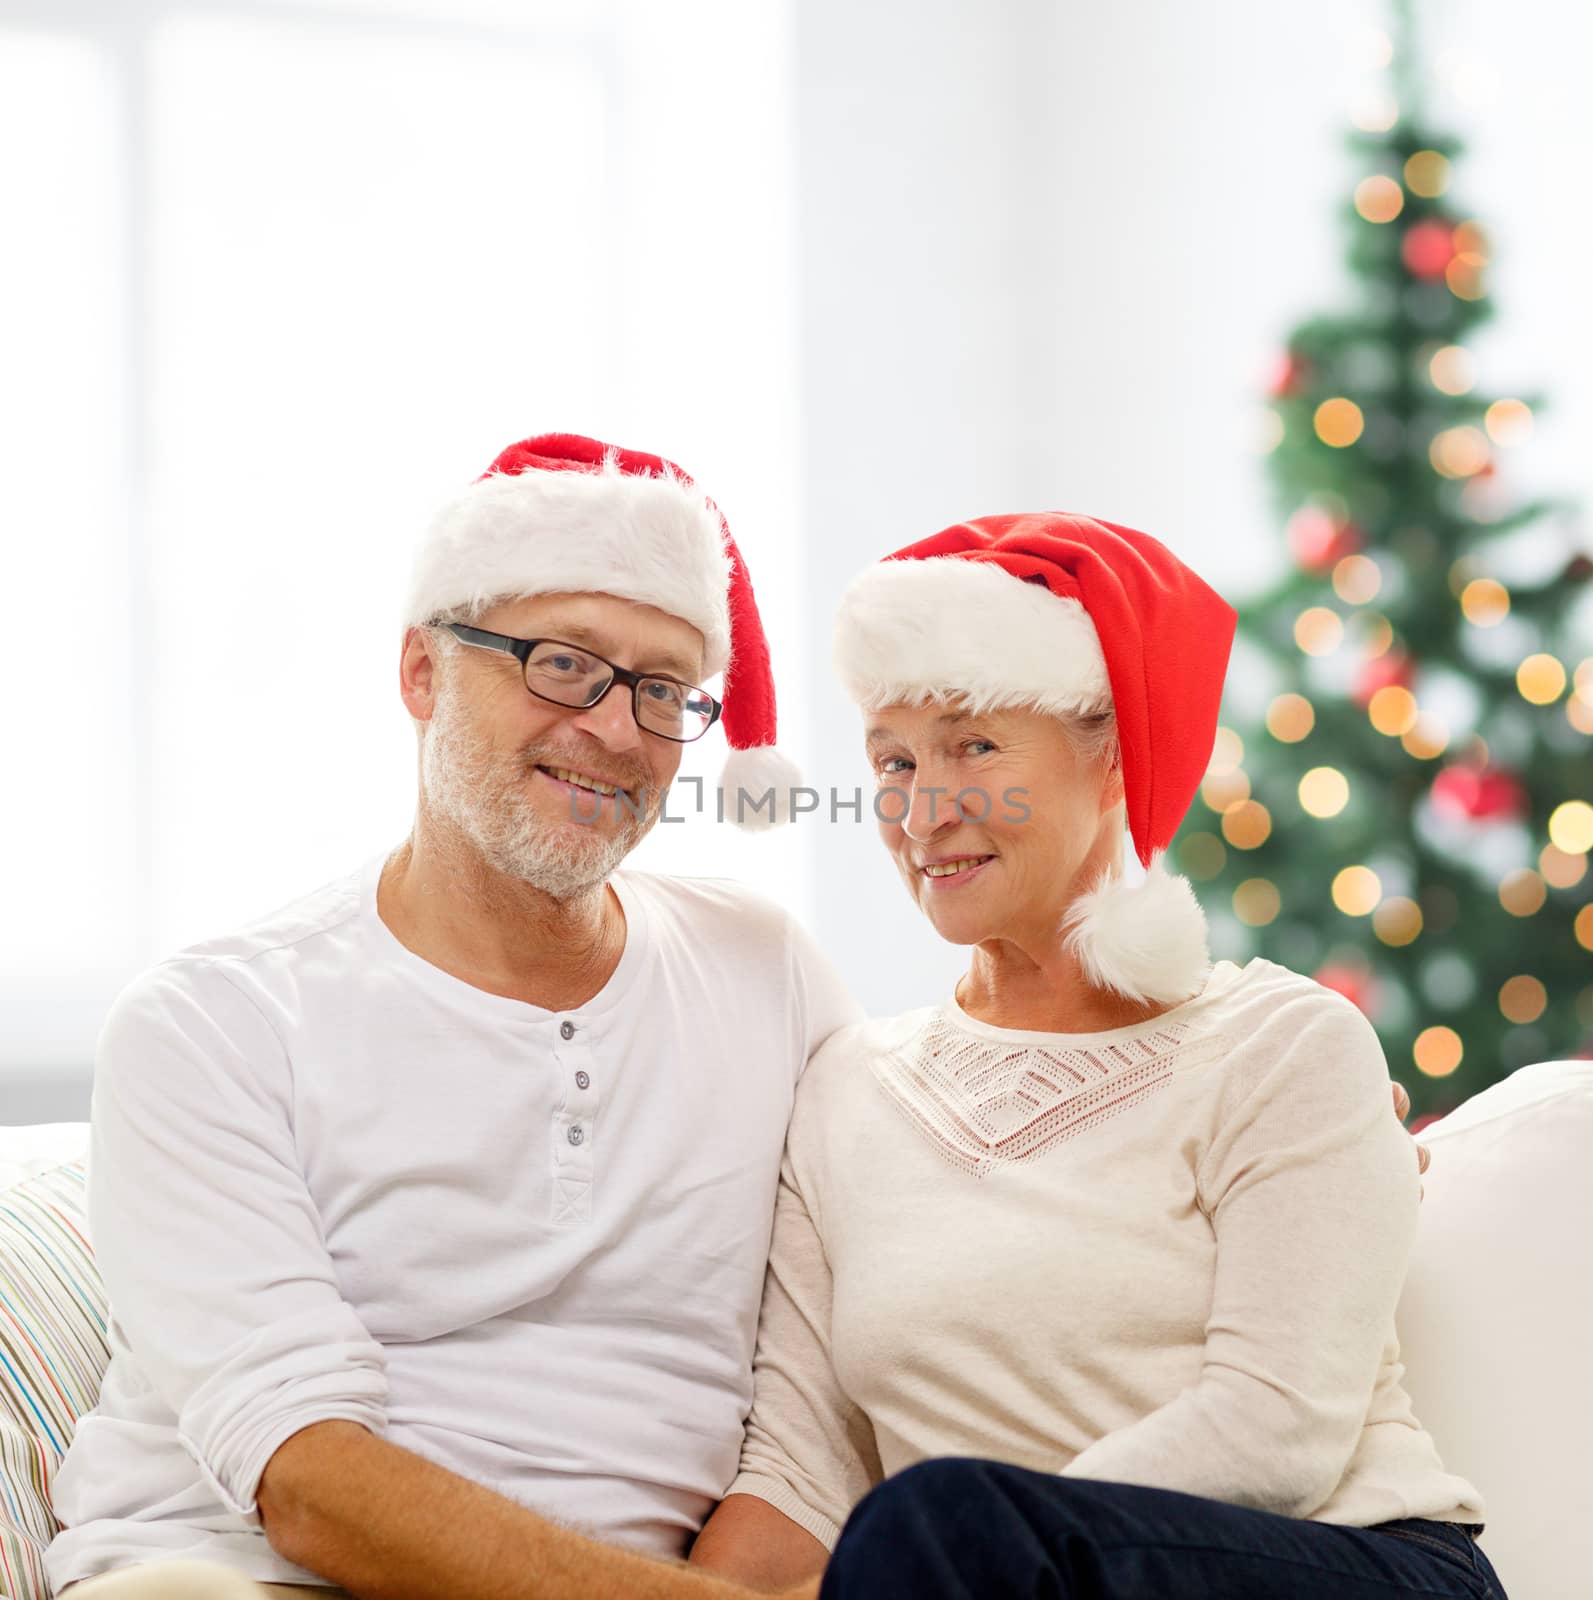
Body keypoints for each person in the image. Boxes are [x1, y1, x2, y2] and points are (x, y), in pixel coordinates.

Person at [45, 434, 859, 1600]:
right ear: (423, 671)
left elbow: (813, 1401)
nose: (620, 731)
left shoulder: (767, 973)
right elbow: (307, 1482)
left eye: (664, 689)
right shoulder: (212, 1021)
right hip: (244, 1577)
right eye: (564, 663)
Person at [687, 513, 1505, 1599]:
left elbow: (1276, 1431)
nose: (923, 810)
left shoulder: (1283, 1043)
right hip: (971, 1568)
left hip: (1347, 1563)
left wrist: (975, 1556)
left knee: (946, 1523)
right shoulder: (846, 1090)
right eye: (893, 759)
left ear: (1111, 755)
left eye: (975, 745)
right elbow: (798, 1476)